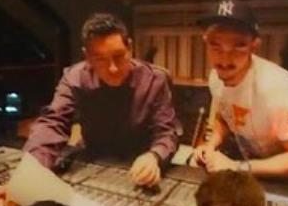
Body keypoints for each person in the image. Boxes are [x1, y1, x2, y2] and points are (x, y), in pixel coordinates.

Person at [22, 12, 180, 187]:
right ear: (87, 56)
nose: (112, 68)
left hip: (140, 164)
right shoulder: (74, 77)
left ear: (130, 48)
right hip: (92, 158)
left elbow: (167, 133)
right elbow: (53, 123)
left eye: (119, 56)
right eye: (100, 59)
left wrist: (154, 156)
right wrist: (28, 173)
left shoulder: (155, 79)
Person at [194, 0, 288, 178]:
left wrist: (236, 167)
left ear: (254, 46)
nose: (224, 60)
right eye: (216, 46)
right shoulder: (215, 77)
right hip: (249, 166)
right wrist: (210, 144)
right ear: (205, 43)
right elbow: (225, 118)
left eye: (238, 47)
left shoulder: (279, 89)